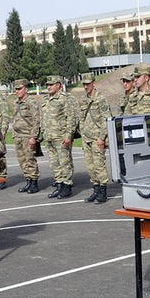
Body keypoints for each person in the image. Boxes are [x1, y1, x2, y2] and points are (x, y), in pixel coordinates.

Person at [40, 75, 77, 199]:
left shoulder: (65, 99)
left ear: (59, 85)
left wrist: (68, 136)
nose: (49, 87)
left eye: (51, 84)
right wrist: (43, 133)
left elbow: (71, 118)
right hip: (49, 137)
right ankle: (59, 185)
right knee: (54, 164)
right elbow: (43, 118)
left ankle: (67, 186)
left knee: (64, 162)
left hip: (61, 137)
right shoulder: (46, 99)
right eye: (47, 85)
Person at [79, 74, 112, 203]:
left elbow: (106, 119)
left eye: (88, 84)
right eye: (84, 84)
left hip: (97, 138)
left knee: (99, 166)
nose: (86, 86)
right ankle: (96, 189)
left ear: (94, 83)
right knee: (90, 167)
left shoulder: (101, 99)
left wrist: (102, 138)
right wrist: (82, 135)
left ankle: (103, 191)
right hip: (86, 138)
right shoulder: (83, 99)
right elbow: (82, 119)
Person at [12, 78, 41, 194]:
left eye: (19, 89)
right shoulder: (16, 102)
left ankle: (34, 182)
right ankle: (28, 181)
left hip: (28, 136)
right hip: (18, 136)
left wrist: (34, 137)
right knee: (22, 160)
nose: (17, 91)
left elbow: (36, 120)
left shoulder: (31, 102)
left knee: (30, 160)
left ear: (26, 89)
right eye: (16, 89)